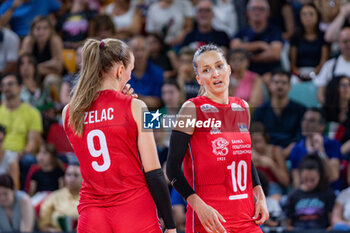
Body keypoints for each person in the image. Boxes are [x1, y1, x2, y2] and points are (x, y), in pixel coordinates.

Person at [62, 38, 176, 233]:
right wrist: (171, 226)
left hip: (93, 213)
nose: (130, 78)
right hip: (133, 208)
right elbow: (154, 172)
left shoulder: (69, 112)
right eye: (130, 71)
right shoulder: (135, 107)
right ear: (119, 71)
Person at [166, 44, 268, 233]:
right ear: (199, 79)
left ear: (229, 70)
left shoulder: (243, 107)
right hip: (210, 220)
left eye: (219, 66)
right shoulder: (191, 108)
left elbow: (244, 157)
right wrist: (198, 206)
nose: (215, 73)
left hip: (247, 217)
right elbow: (172, 168)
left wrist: (259, 194)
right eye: (206, 70)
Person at [230, 0, 283, 76]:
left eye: (261, 9)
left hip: (270, 73)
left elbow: (275, 54)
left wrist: (249, 57)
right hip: (246, 73)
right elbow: (235, 47)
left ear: (268, 12)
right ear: (247, 12)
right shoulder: (242, 32)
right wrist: (260, 45)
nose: (257, 12)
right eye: (254, 9)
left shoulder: (274, 31)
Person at [285, 154, 335, 230]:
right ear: (301, 176)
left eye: (313, 180)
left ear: (320, 176)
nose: (309, 183)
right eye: (306, 179)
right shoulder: (294, 195)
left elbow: (332, 224)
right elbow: (288, 224)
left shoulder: (327, 193)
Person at [38, 163, 82, 232]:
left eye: (76, 175)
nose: (71, 178)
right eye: (68, 175)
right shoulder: (55, 196)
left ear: (84, 178)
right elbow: (43, 225)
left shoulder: (89, 199)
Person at [315, 27, 350, 104]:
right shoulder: (329, 65)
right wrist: (330, 110)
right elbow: (320, 93)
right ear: (339, 44)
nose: (349, 44)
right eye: (345, 41)